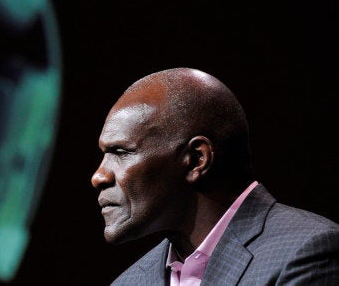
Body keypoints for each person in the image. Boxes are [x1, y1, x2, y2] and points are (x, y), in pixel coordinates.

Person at [91, 67, 339, 285]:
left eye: (120, 153)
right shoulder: (130, 282)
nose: (98, 176)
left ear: (197, 159)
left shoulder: (305, 253)